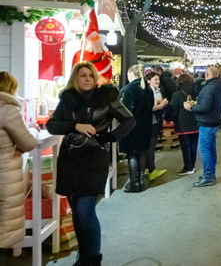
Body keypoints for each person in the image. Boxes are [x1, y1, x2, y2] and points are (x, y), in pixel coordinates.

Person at [47, 62, 135, 265]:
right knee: (76, 212)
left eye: (90, 75)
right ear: (75, 79)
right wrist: (74, 125)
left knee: (86, 210)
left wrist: (108, 137)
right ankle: (84, 255)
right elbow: (51, 125)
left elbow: (129, 121)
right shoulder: (68, 99)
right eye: (82, 75)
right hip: (69, 159)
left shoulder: (106, 97)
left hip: (94, 159)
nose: (87, 79)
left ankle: (93, 259)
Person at [0, 72, 38, 249]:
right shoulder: (7, 109)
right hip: (4, 173)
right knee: (4, 220)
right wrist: (34, 131)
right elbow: (28, 143)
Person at [185, 66, 221, 187]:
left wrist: (190, 107)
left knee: (204, 149)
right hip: (214, 120)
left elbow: (204, 107)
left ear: (207, 74)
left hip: (206, 121)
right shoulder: (219, 85)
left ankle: (208, 176)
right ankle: (210, 174)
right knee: (211, 148)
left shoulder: (209, 88)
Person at [120, 64, 155, 193]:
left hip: (132, 129)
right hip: (146, 126)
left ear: (131, 75)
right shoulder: (148, 89)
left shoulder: (128, 90)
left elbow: (125, 111)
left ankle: (134, 183)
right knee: (141, 153)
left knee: (132, 155)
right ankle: (141, 181)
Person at [170, 74, 199, 176]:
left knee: (185, 147)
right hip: (195, 122)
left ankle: (188, 167)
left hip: (182, 124)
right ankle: (192, 166)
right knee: (193, 146)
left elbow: (173, 109)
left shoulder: (177, 94)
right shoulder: (195, 93)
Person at [143, 72, 168, 181]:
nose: (158, 81)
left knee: (151, 146)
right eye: (155, 80)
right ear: (148, 81)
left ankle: (149, 169)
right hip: (150, 122)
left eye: (158, 79)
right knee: (150, 146)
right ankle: (150, 170)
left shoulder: (157, 90)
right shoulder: (148, 92)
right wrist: (161, 105)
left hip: (156, 121)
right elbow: (150, 107)